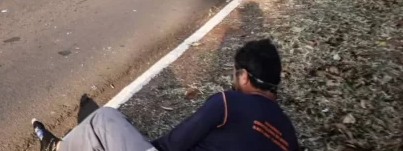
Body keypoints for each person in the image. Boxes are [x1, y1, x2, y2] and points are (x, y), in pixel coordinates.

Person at [32, 39, 298, 151]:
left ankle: (55, 148)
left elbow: (174, 144)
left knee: (104, 120)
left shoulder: (228, 103)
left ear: (243, 76)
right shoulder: (289, 134)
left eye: (234, 73)